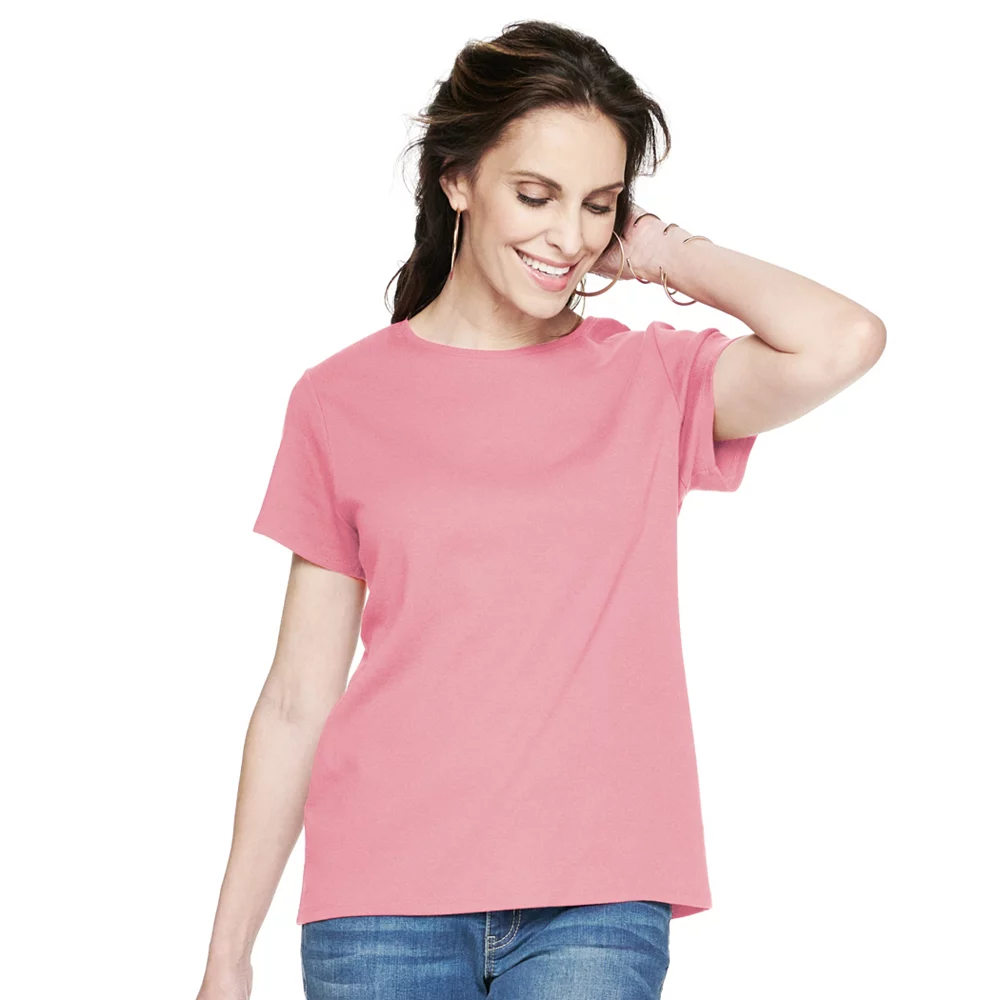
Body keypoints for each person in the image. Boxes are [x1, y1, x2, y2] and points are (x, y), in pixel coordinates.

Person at [197, 19, 885, 1000]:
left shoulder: (648, 378)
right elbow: (297, 695)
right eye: (536, 194)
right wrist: (228, 956)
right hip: (379, 900)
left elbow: (843, 340)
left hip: (597, 896)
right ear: (457, 178)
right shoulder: (338, 399)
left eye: (597, 204)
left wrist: (660, 253)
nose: (569, 237)